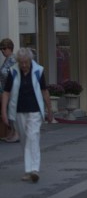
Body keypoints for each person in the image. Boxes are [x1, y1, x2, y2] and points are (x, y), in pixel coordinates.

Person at [1, 48, 52, 183]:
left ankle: (34, 170)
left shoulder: (38, 71)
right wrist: (3, 112)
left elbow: (44, 91)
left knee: (32, 136)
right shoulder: (13, 71)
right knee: (24, 139)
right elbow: (6, 92)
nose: (23, 65)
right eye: (21, 62)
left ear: (30, 60)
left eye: (26, 62)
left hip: (34, 110)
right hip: (18, 110)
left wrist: (50, 110)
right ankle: (28, 171)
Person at [0, 38, 20, 143]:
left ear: (10, 48)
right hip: (6, 89)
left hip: (12, 89)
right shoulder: (7, 59)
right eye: (1, 49)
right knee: (9, 110)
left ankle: (16, 133)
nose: (2, 51)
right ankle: (12, 132)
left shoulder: (13, 59)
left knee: (13, 110)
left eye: (4, 48)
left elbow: (14, 75)